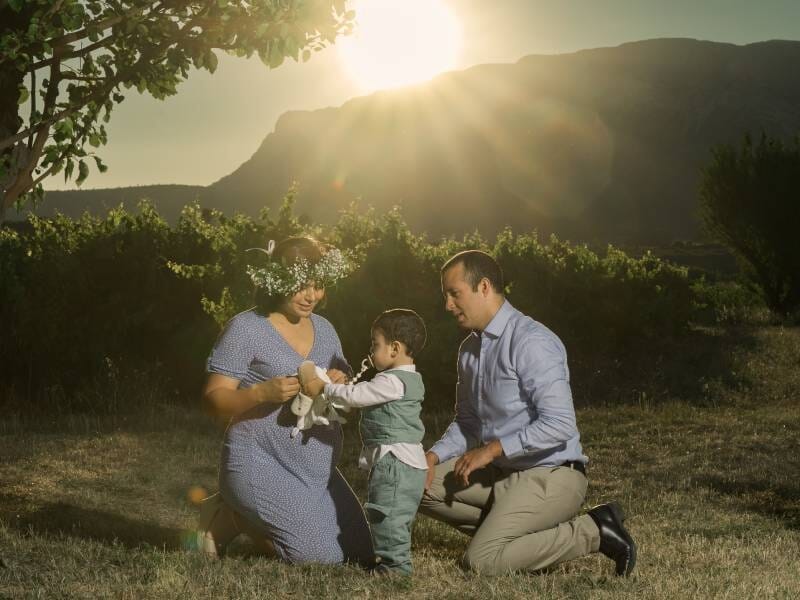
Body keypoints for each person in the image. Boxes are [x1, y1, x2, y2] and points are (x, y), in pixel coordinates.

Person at [419, 250, 636, 576]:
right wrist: (432, 458)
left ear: (484, 287)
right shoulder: (468, 350)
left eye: (454, 294)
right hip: (501, 476)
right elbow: (467, 422)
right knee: (413, 486)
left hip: (552, 474)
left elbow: (560, 424)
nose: (447, 305)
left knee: (480, 562)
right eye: (445, 295)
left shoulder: (532, 341)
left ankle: (595, 530)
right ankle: (512, 542)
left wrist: (492, 449)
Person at [196, 236, 373, 566]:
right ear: (277, 281)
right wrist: (260, 393)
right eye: (301, 285)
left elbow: (342, 377)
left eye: (318, 286)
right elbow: (212, 399)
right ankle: (227, 517)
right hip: (260, 463)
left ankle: (259, 515)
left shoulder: (326, 329)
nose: (311, 296)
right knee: (321, 558)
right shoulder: (246, 328)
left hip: (316, 471)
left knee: (361, 553)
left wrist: (340, 380)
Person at [299, 309, 428, 576]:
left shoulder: (392, 381)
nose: (370, 351)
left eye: (374, 345)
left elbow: (358, 395)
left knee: (386, 515)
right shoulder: (409, 379)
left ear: (394, 348)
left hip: (395, 462)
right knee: (394, 515)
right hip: (403, 462)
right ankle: (392, 561)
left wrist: (325, 389)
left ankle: (396, 567)